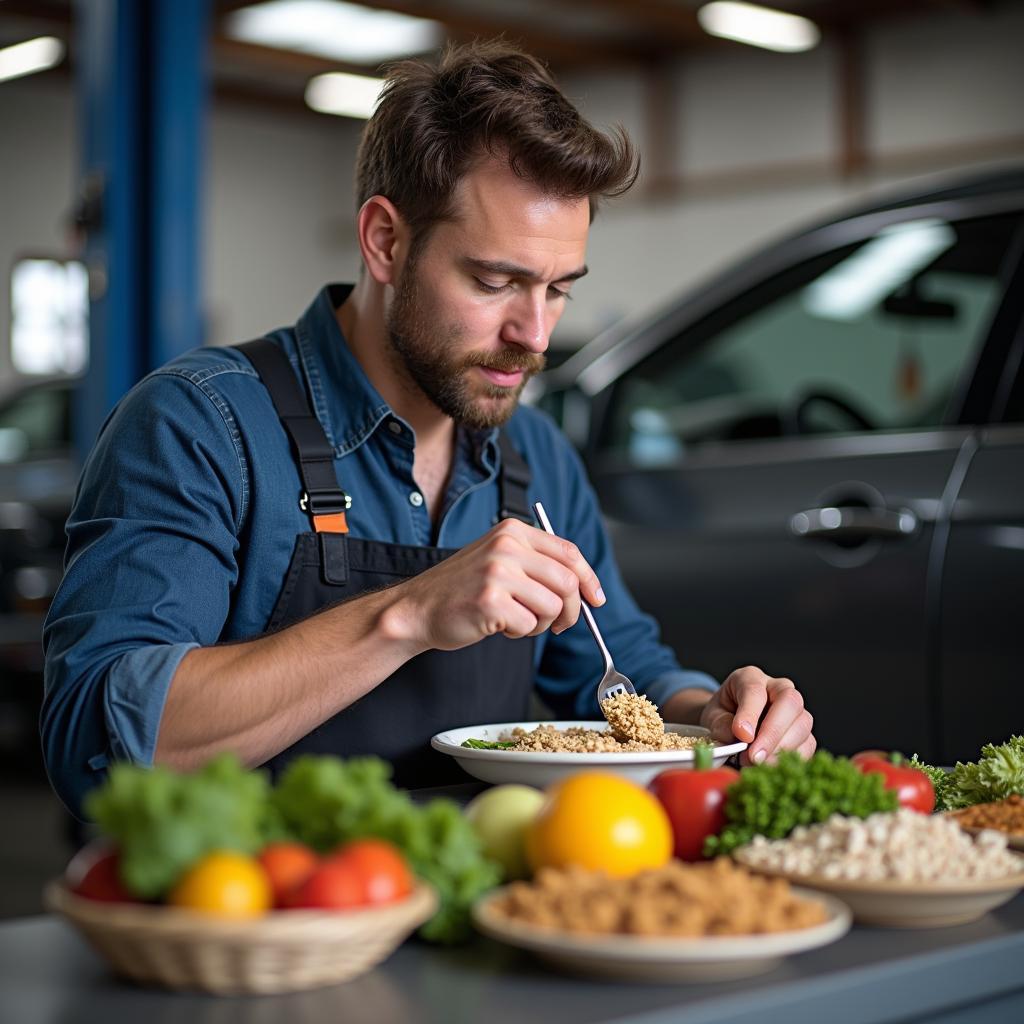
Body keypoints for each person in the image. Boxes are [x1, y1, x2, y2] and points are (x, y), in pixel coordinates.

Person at [42, 41, 815, 818]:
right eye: (495, 281)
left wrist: (712, 713)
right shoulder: (199, 424)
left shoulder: (536, 459)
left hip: (468, 910)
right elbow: (95, 743)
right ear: (385, 241)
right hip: (248, 920)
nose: (535, 334)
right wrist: (405, 615)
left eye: (558, 290)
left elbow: (621, 668)